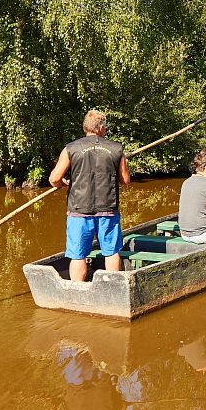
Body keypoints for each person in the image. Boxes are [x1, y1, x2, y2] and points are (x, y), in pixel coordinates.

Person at [49, 109, 130, 282]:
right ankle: (114, 288)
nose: (106, 129)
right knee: (111, 251)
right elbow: (125, 179)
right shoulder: (116, 148)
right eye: (105, 126)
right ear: (100, 127)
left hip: (79, 210)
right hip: (107, 209)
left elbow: (54, 179)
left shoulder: (71, 148)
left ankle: (78, 290)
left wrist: (63, 183)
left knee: (78, 254)